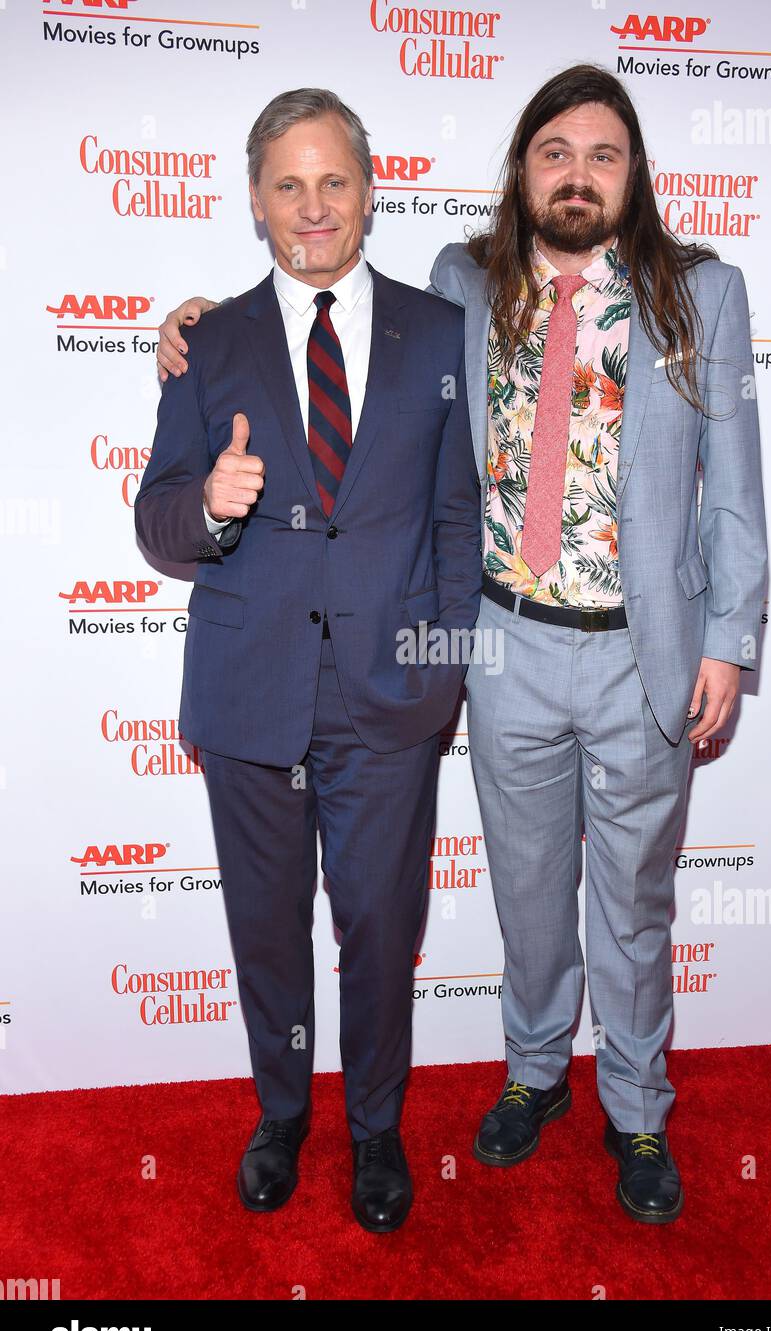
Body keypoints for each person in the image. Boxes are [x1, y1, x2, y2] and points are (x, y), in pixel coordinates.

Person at [155, 65, 768, 1225]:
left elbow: (731, 489)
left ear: (633, 173)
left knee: (632, 900)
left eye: (602, 156)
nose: (576, 176)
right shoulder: (463, 285)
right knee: (528, 892)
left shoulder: (702, 293)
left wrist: (728, 640)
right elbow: (313, 308)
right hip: (502, 646)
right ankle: (534, 1076)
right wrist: (186, 327)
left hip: (647, 647)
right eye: (554, 153)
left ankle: (636, 1105)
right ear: (521, 168)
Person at [136, 88, 482, 1235]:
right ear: (253, 201)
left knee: (383, 927)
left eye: (333, 179)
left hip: (391, 699)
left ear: (371, 190)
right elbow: (156, 520)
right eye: (288, 182)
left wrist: (439, 678)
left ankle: (376, 1129)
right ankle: (283, 1112)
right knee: (267, 927)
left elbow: (453, 522)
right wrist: (212, 508)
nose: (312, 204)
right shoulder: (209, 340)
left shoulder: (439, 334)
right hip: (248, 694)